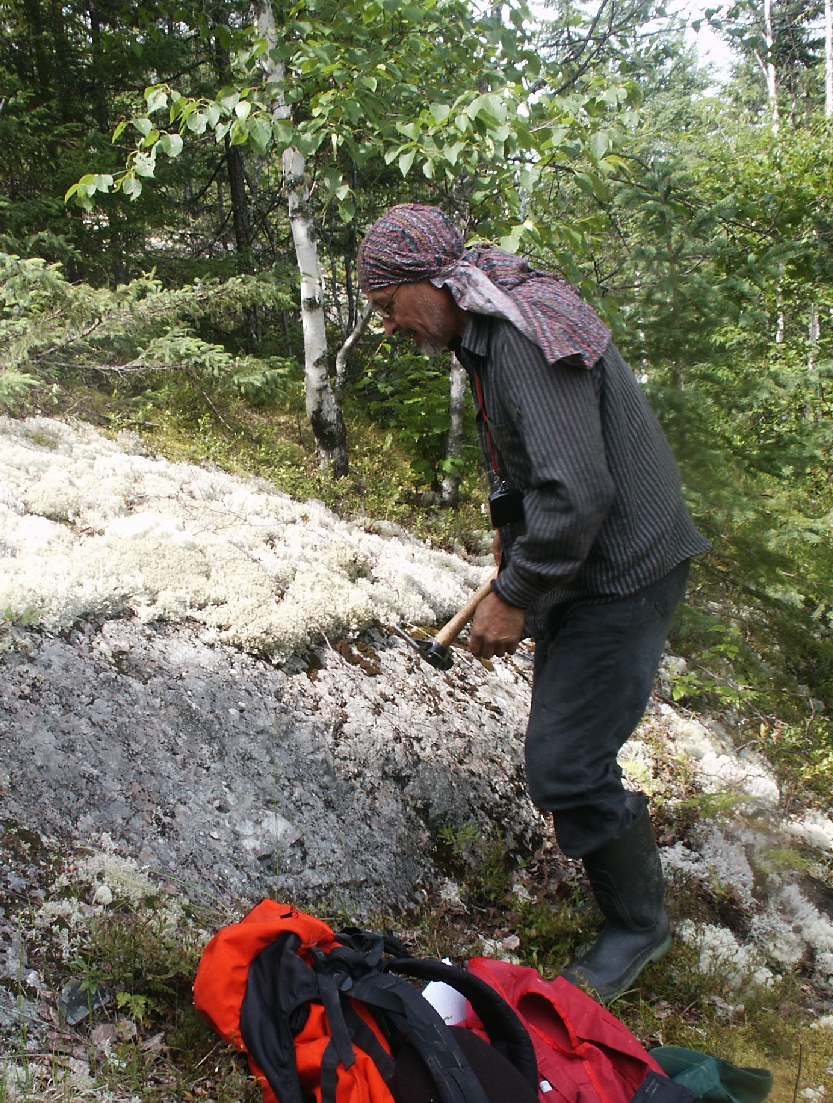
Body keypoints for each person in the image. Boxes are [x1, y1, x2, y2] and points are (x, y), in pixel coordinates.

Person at [357, 204, 710, 1001]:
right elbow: (531, 461)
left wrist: (515, 594)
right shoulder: (485, 320)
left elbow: (579, 491)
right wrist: (509, 550)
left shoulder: (514, 337)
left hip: (621, 570)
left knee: (564, 763)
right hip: (586, 563)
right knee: (566, 750)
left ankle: (636, 927)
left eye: (387, 305)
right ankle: (632, 906)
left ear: (431, 281)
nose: (387, 326)